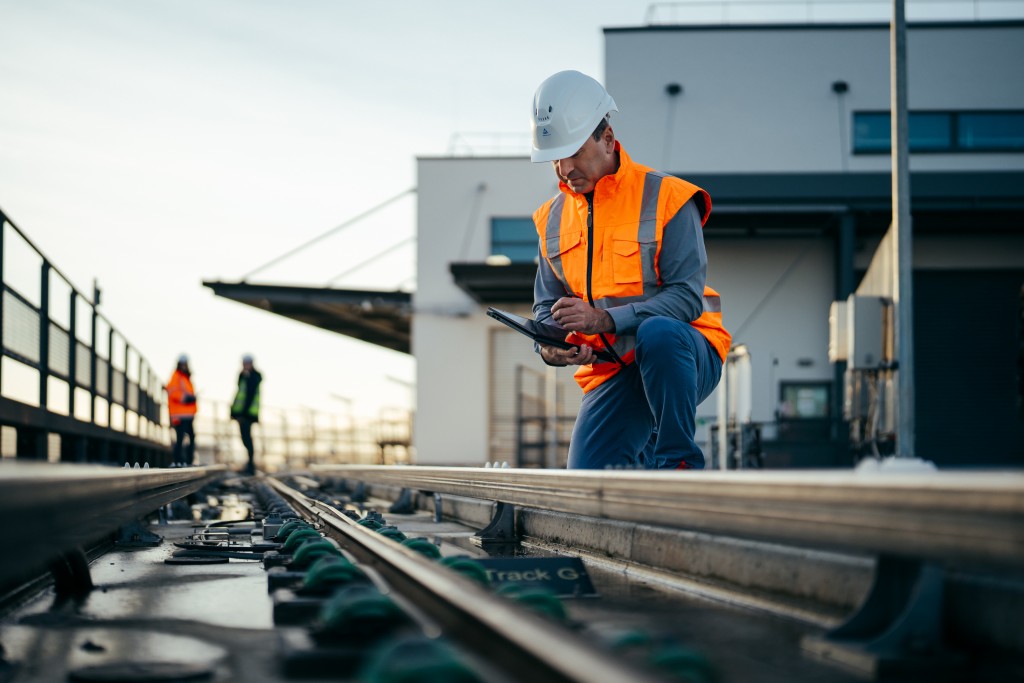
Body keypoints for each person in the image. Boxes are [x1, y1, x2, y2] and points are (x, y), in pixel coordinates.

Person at [529, 70, 732, 470]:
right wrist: (548, 345)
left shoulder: (669, 198)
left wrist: (604, 319)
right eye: (555, 157)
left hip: (685, 354)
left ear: (607, 140)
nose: (564, 168)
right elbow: (544, 308)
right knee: (589, 481)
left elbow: (687, 298)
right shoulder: (551, 219)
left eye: (574, 152)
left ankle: (677, 463)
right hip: (613, 370)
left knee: (657, 333)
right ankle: (642, 466)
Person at [230, 354, 262, 475]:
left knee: (247, 439)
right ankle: (249, 465)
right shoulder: (243, 376)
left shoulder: (254, 376)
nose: (245, 365)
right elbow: (239, 395)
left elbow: (249, 396)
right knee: (245, 439)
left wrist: (243, 414)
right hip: (241, 414)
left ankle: (251, 466)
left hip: (248, 415)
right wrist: (233, 412)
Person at [165, 354, 197, 466]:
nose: (184, 366)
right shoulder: (177, 376)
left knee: (189, 437)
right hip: (180, 414)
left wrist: (191, 399)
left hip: (187, 415)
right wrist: (186, 398)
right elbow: (172, 391)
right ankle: (179, 460)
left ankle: (187, 460)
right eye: (182, 364)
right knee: (180, 438)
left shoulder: (185, 377)